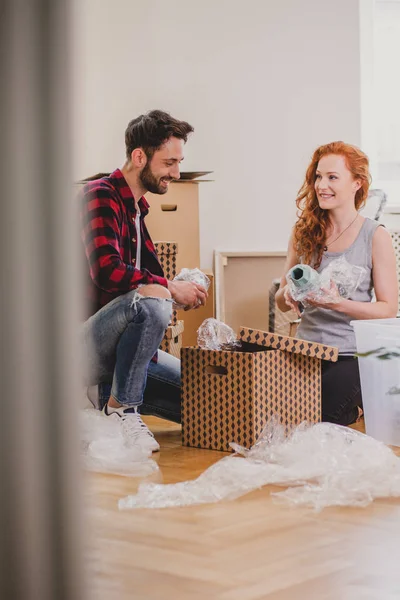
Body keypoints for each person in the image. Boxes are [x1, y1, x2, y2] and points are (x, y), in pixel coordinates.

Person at [80, 110, 208, 452]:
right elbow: (107, 271)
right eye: (169, 162)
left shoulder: (138, 209)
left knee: (208, 402)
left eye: (179, 162)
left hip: (123, 349)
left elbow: (147, 281)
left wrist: (179, 287)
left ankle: (115, 395)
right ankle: (123, 408)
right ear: (140, 157)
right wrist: (167, 289)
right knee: (153, 298)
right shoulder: (100, 195)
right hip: (81, 345)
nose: (176, 173)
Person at [276, 141, 398, 425]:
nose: (321, 185)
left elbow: (387, 309)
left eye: (332, 177)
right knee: (284, 419)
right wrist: (289, 292)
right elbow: (280, 302)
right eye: (318, 176)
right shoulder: (303, 232)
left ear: (357, 183)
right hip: (305, 350)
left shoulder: (374, 236)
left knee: (322, 421)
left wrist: (338, 303)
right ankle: (354, 404)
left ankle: (357, 404)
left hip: (351, 353)